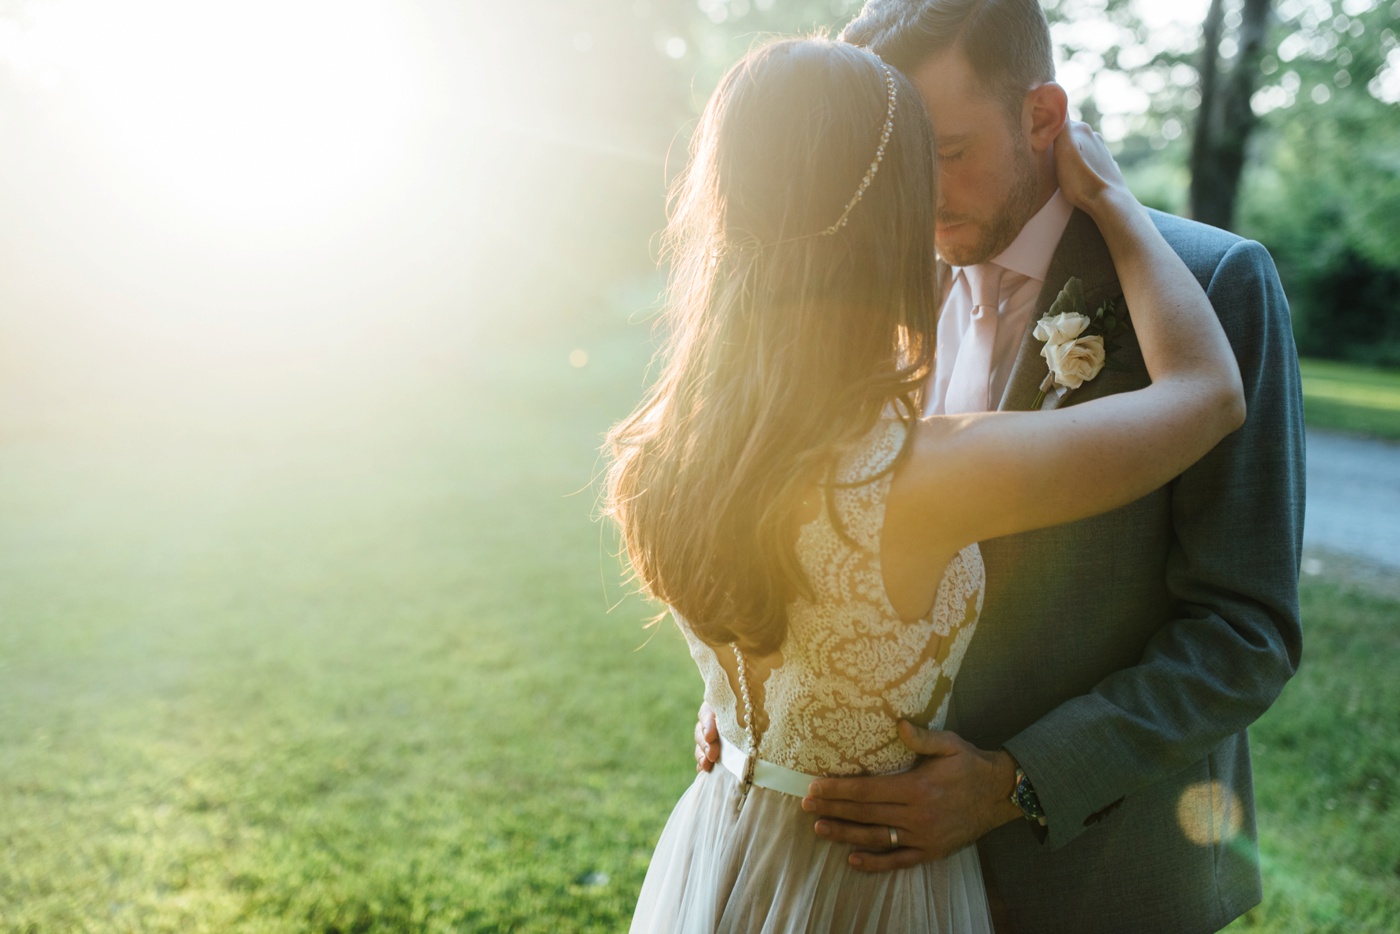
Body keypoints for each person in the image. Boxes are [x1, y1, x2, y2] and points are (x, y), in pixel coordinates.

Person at [692, 3, 1306, 932]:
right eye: (895, 170)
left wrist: (1017, 784)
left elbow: (1243, 630)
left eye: (945, 155)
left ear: (1044, 118)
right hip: (861, 872)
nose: (917, 200)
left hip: (1094, 873)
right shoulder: (870, 279)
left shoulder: (1213, 285)